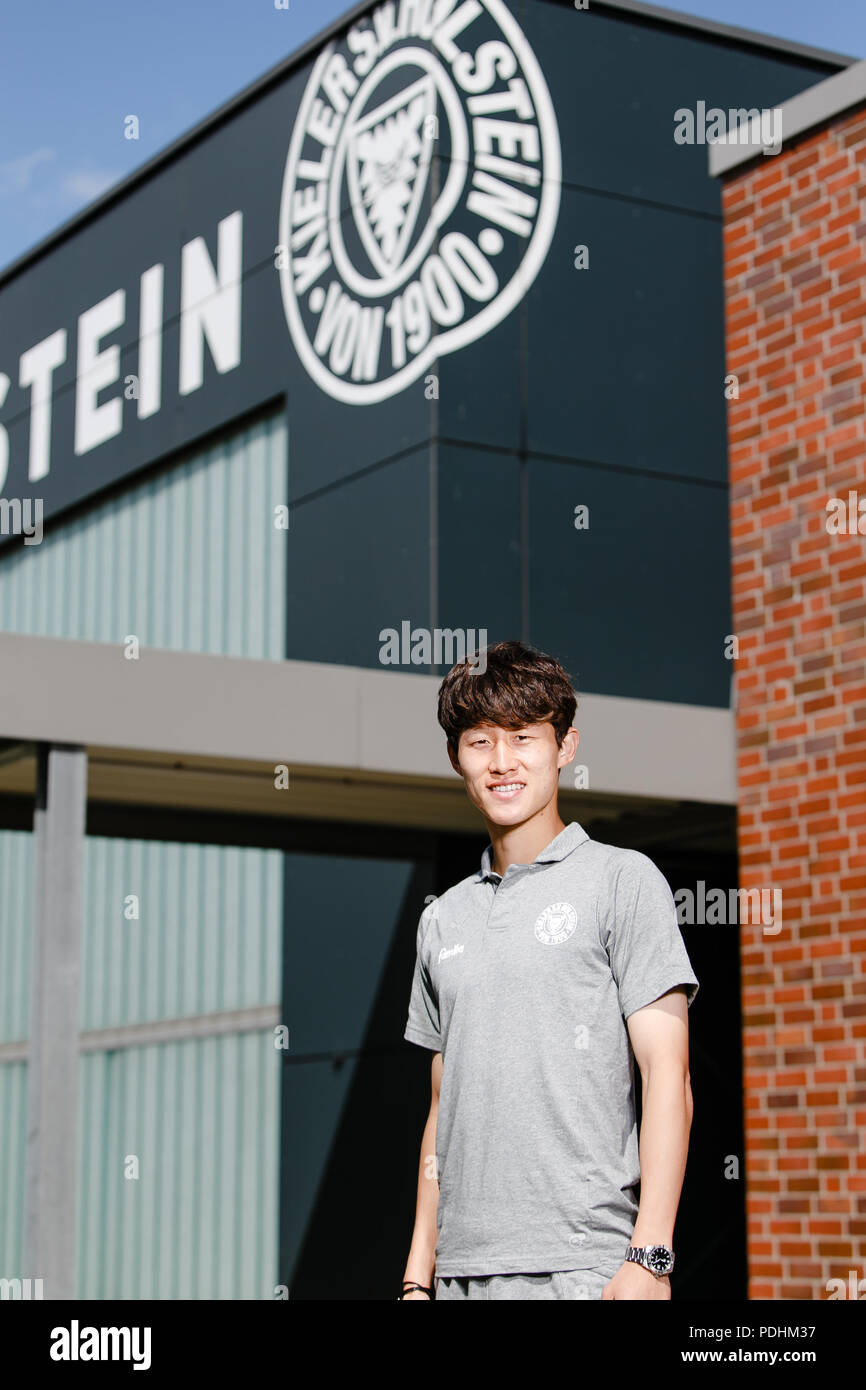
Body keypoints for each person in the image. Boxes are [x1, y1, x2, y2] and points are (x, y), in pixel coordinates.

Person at [399, 640, 699, 1301]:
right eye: (481, 743)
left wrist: (650, 1257)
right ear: (457, 758)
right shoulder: (442, 919)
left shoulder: (621, 881)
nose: (502, 762)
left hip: (581, 1268)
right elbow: (442, 1109)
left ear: (564, 748)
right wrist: (418, 1278)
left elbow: (668, 1075)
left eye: (523, 738)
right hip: (457, 1276)